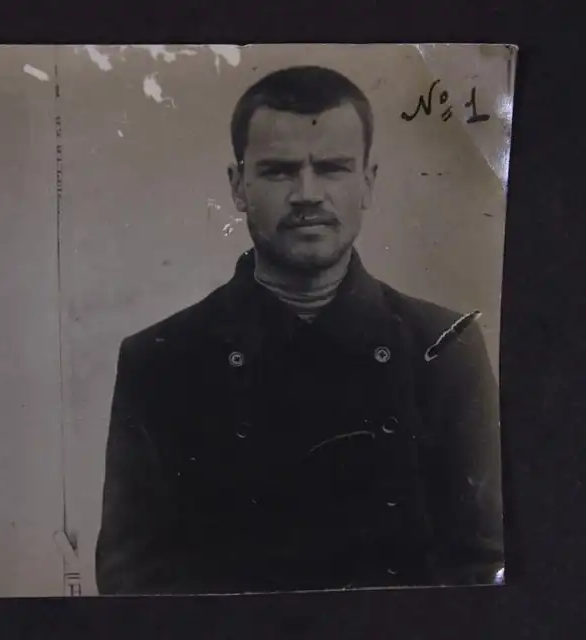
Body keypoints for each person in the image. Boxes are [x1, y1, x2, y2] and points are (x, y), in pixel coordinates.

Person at [95, 65, 504, 596]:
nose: (307, 194)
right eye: (279, 171)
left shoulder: (445, 348)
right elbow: (133, 584)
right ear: (238, 186)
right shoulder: (160, 360)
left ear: (367, 183)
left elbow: (483, 567)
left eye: (332, 168)